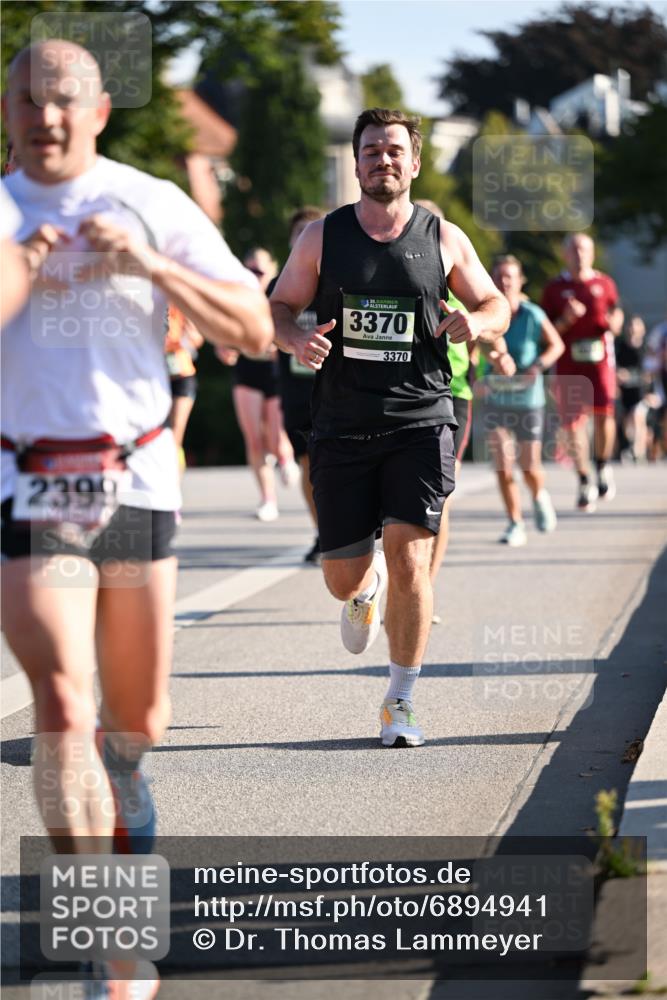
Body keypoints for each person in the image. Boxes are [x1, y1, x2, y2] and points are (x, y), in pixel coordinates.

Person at [1, 39, 272, 995]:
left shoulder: (149, 199)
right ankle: (111, 947)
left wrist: (149, 261)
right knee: (63, 705)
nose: (46, 116)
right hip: (30, 485)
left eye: (65, 99)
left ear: (100, 111)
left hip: (135, 483)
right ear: (7, 110)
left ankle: (129, 779)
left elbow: (250, 329)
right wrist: (25, 263)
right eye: (28, 99)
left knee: (132, 721)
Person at [271, 108, 509, 748]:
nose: (383, 160)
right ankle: (362, 584)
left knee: (412, 556)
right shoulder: (323, 236)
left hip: (421, 417)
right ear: (356, 164)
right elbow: (279, 304)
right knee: (342, 577)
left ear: (415, 162)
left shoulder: (444, 237)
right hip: (343, 423)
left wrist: (478, 324)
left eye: (394, 150)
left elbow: (496, 303)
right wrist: (294, 336)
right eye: (372, 150)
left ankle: (399, 700)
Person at [414, 201, 514, 618]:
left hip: (451, 395)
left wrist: (497, 350)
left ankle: (424, 589)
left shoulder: (457, 273)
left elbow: (490, 320)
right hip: (397, 395)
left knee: (439, 495)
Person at [480, 255, 564, 545]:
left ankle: (540, 496)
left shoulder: (532, 314)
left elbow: (557, 345)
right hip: (496, 397)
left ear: (519, 281)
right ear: (491, 280)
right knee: (503, 465)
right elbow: (471, 347)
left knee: (529, 466)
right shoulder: (485, 314)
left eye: (510, 277)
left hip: (529, 399)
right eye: (499, 276)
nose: (504, 282)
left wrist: (537, 366)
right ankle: (515, 522)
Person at [541, 234, 623, 511]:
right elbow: (547, 331)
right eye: (574, 249)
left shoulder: (604, 283)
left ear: (592, 253)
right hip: (568, 363)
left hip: (600, 361)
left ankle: (601, 466)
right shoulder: (554, 288)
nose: (579, 254)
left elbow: (616, 312)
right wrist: (565, 320)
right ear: (565, 255)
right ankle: (584, 478)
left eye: (584, 249)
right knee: (573, 423)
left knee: (603, 415)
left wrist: (616, 323)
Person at [218, 247, 299, 521]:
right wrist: (223, 346)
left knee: (276, 437)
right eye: (249, 270)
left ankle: (286, 460)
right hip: (247, 372)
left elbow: (292, 332)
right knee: (254, 439)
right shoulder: (238, 296)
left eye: (260, 271)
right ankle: (268, 499)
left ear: (273, 270)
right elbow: (223, 329)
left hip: (275, 375)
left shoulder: (282, 296)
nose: (254, 276)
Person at [273, 207, 325, 563]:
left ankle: (353, 529)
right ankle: (323, 533)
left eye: (313, 231)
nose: (306, 239)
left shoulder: (337, 278)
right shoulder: (276, 287)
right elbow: (260, 329)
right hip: (295, 390)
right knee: (307, 464)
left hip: (336, 389)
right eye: (299, 233)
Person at [164, 304, 204, 472]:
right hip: (155, 378)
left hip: (182, 374)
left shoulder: (180, 304)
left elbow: (197, 340)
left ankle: (173, 483)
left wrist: (188, 336)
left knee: (175, 435)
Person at [615, 315, 650, 462]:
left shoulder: (647, 349)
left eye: (636, 326)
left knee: (638, 416)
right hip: (625, 394)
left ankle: (637, 451)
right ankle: (631, 448)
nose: (632, 329)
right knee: (627, 422)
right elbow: (613, 366)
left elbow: (651, 374)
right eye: (630, 326)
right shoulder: (620, 347)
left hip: (643, 393)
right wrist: (618, 374)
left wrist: (651, 391)